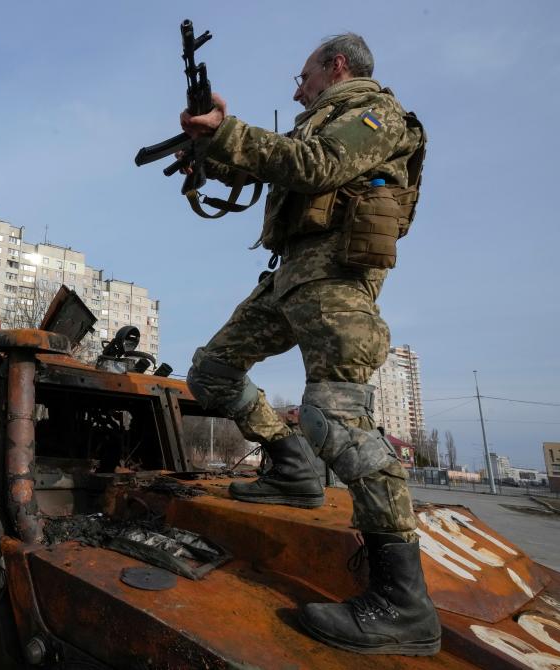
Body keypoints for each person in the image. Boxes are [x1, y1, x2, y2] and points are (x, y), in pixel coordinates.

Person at [179, 33, 439, 655]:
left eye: (303, 77)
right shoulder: (316, 125)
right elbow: (265, 165)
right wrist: (208, 149)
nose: (296, 89)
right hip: (291, 278)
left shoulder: (377, 115)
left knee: (337, 418)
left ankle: (404, 603)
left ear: (336, 67)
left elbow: (314, 167)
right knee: (211, 372)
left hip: (336, 280)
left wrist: (229, 130)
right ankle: (291, 466)